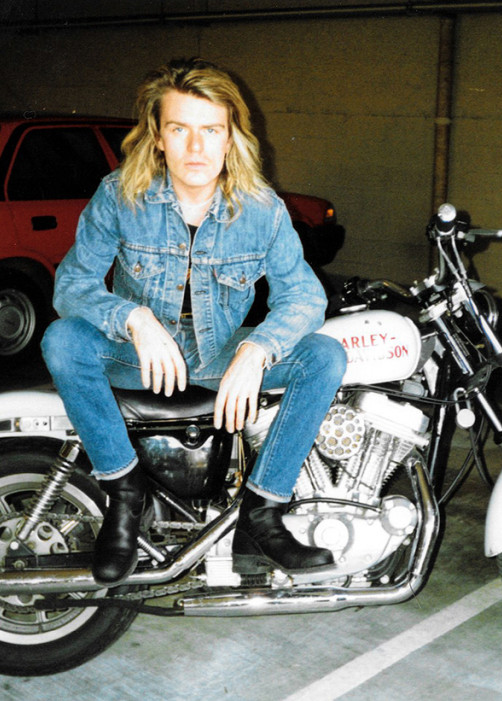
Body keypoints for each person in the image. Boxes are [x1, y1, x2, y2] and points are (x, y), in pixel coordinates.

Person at [41, 57, 347, 586]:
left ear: (231, 140)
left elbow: (303, 296)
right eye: (180, 130)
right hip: (135, 356)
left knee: (324, 356)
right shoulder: (119, 195)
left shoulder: (262, 209)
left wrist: (259, 350)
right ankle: (124, 490)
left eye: (211, 131)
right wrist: (132, 317)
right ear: (157, 137)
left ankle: (262, 510)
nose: (196, 148)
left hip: (220, 353)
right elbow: (71, 285)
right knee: (62, 341)